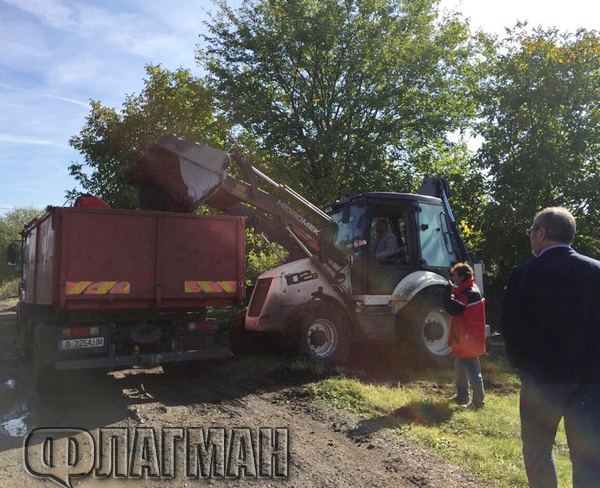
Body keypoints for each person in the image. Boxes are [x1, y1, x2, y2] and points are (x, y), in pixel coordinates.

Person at [501, 207, 600, 488]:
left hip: (541, 380)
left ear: (541, 233)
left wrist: (522, 368)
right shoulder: (596, 271)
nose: (531, 237)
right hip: (591, 382)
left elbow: (510, 328)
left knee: (538, 452)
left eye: (531, 232)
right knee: (589, 456)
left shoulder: (523, 274)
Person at [444, 262, 486, 408]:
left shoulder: (468, 294)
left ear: (462, 276)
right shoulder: (470, 290)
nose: (453, 278)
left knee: (473, 370)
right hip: (466, 336)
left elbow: (452, 309)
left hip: (469, 338)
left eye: (454, 275)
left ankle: (478, 401)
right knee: (460, 367)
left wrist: (447, 291)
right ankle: (462, 396)